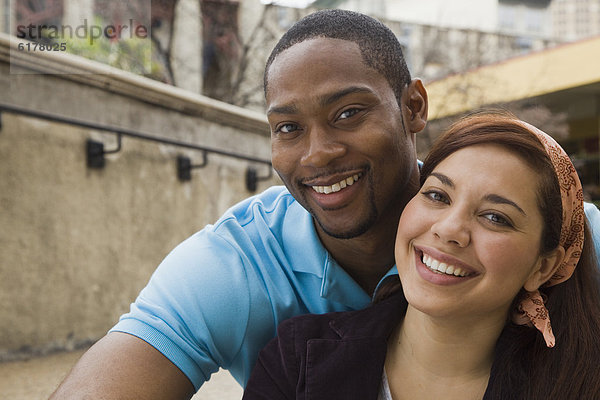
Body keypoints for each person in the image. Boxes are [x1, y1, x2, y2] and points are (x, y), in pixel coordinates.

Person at [50, 10, 600, 399]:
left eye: (347, 114)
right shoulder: (235, 266)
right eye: (288, 127)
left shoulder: (565, 237)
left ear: (413, 108)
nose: (319, 155)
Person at [242, 112, 600, 400]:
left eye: (495, 217)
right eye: (438, 196)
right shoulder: (294, 361)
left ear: (543, 267)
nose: (448, 229)